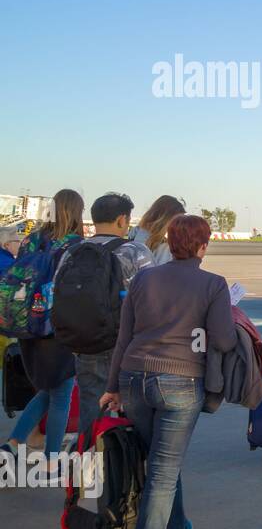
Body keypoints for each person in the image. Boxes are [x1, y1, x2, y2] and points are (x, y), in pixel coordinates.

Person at [101, 215, 237, 529]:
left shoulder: (144, 279)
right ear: (202, 246)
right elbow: (224, 340)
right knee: (162, 470)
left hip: (134, 378)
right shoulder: (213, 284)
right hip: (180, 382)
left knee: (161, 462)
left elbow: (123, 337)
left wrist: (113, 386)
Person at [1, 189, 84, 477]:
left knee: (48, 390)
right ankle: (51, 460)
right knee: (61, 391)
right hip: (56, 326)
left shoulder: (32, 238)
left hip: (27, 326)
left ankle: (11, 445)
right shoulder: (75, 245)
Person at [59, 193, 154, 413]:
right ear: (122, 220)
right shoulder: (135, 251)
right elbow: (153, 300)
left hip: (84, 342)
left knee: (91, 408)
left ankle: (91, 446)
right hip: (125, 344)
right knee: (128, 416)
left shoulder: (72, 252)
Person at [130, 194, 185, 266]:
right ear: (165, 219)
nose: (179, 226)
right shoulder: (164, 247)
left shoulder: (135, 234)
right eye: (177, 221)